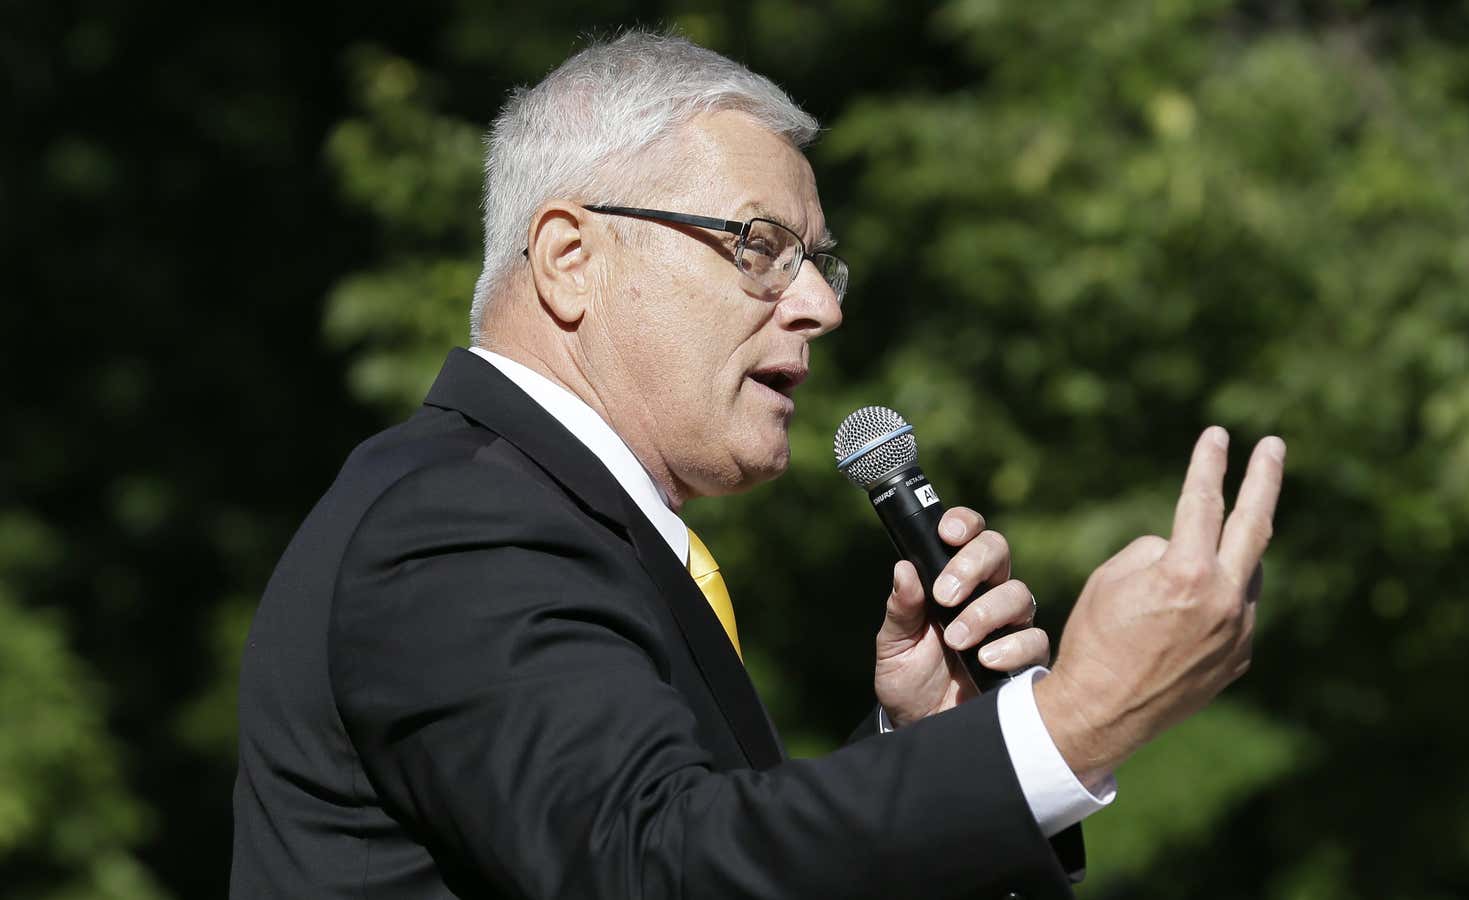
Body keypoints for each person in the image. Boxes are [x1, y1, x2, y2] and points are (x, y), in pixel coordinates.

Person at [229, 30, 1285, 900]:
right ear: (568, 259)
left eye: (819, 262)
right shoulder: (455, 519)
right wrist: (1067, 725)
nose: (818, 305)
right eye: (757, 248)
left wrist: (921, 745)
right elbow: (649, 869)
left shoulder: (568, 525)